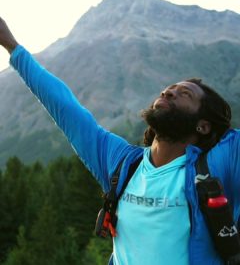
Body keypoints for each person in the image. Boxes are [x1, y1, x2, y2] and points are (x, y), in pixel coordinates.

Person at [0, 17, 239, 265]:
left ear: (203, 125)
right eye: (169, 89)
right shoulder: (122, 164)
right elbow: (65, 107)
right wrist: (12, 46)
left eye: (185, 94)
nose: (169, 92)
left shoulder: (219, 163)